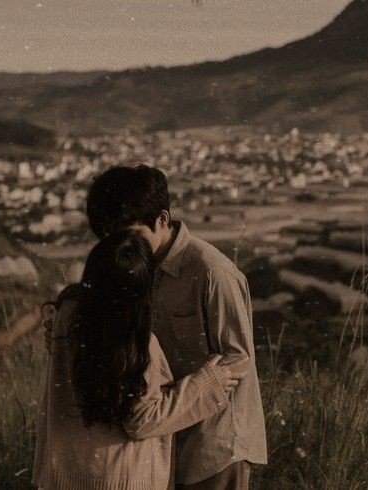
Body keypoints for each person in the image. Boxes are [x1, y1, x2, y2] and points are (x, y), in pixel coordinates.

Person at [86, 165, 267, 490]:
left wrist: (185, 392)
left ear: (163, 219)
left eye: (132, 234)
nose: (124, 245)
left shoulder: (211, 271)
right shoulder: (134, 268)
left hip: (215, 444)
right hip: (164, 433)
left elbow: (238, 359)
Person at [33, 231, 247, 490]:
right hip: (122, 478)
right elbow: (142, 419)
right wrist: (205, 385)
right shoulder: (133, 342)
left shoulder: (66, 317)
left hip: (64, 474)